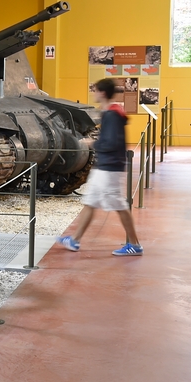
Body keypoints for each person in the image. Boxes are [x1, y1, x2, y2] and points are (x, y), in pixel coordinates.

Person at [58, 77, 143, 256]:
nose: (94, 93)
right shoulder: (111, 112)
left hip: (109, 166)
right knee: (90, 201)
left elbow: (112, 142)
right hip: (104, 165)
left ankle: (134, 244)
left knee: (119, 205)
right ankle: (74, 240)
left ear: (102, 93)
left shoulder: (112, 114)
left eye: (96, 90)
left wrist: (93, 143)